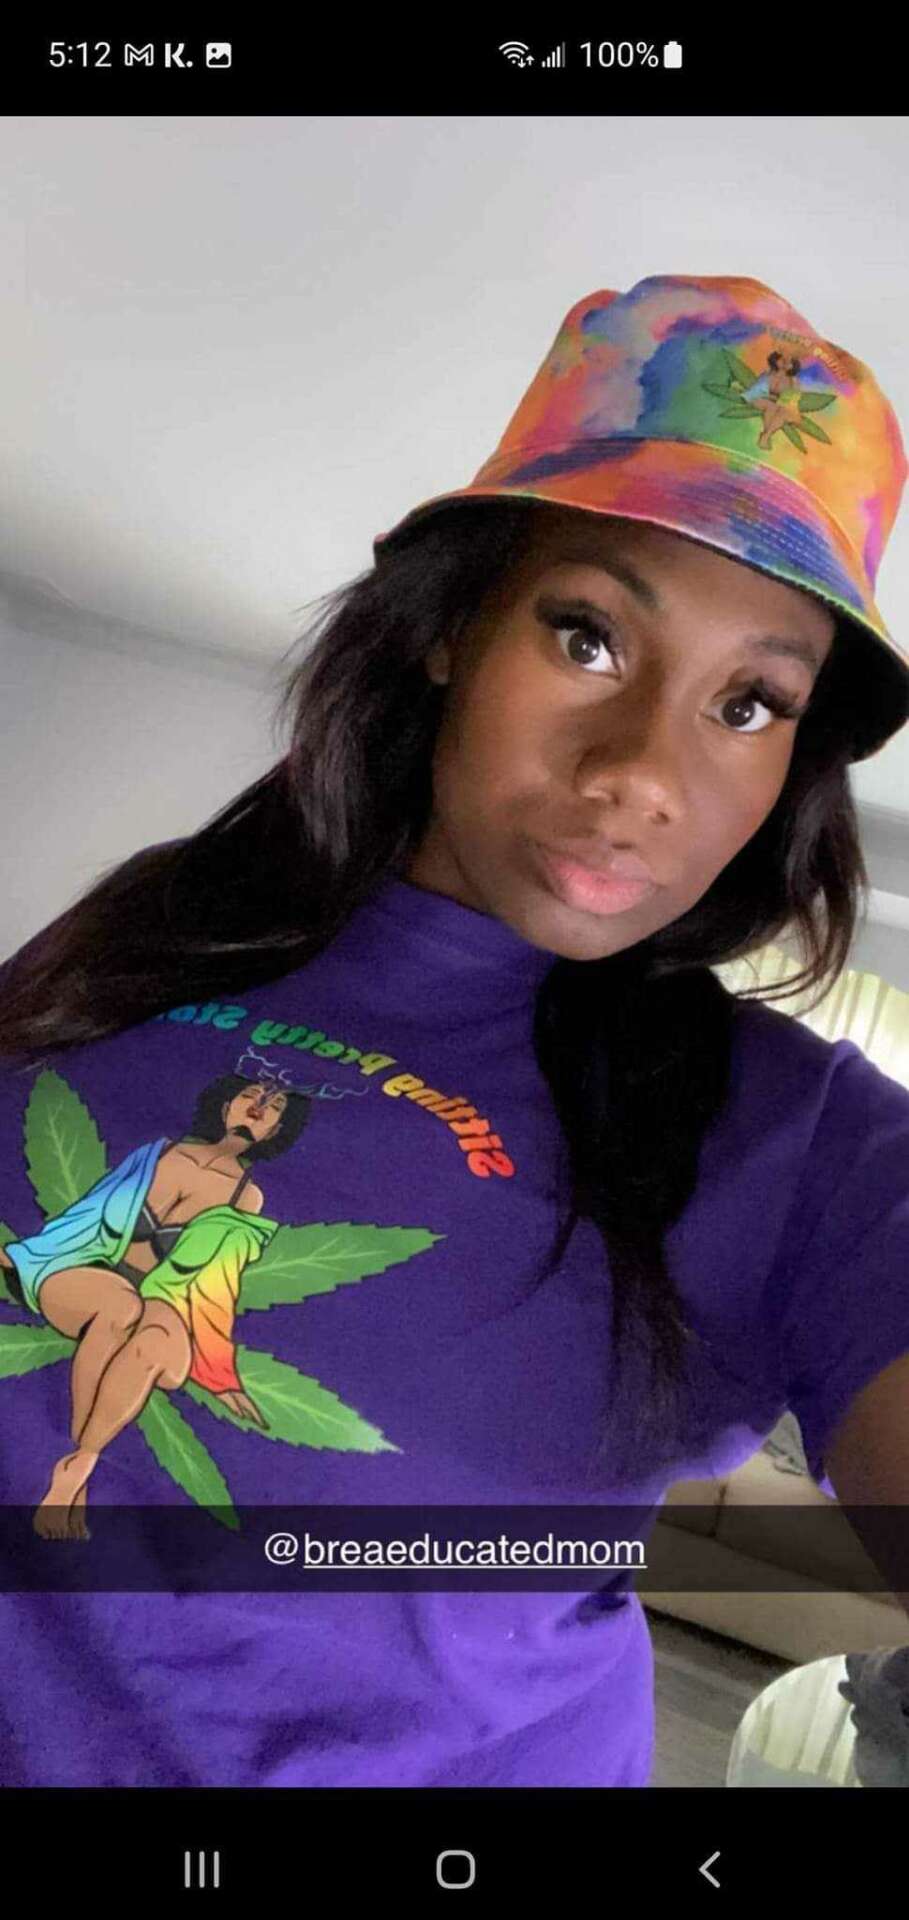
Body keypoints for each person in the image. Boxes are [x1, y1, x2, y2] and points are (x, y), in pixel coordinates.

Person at [1, 270, 909, 1789]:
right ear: (452, 629)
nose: (641, 773)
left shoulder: (802, 1141)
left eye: (749, 703)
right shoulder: (158, 923)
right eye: (588, 636)